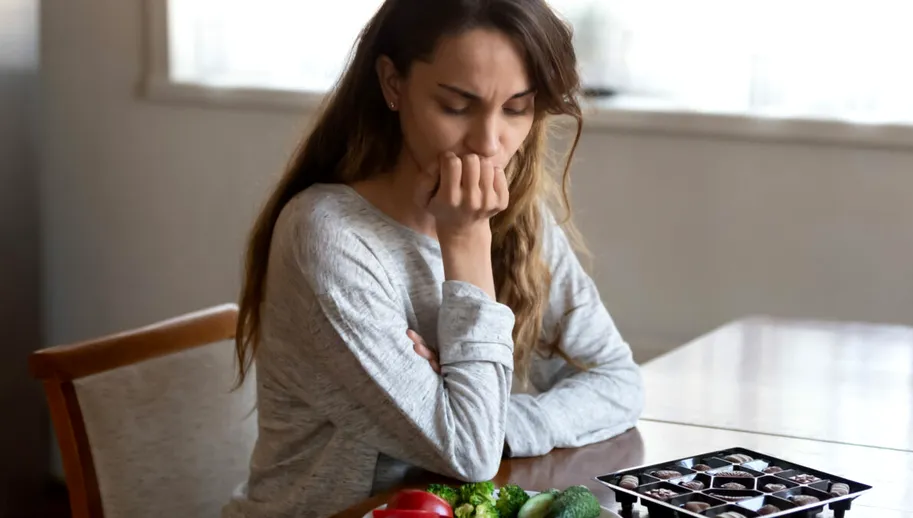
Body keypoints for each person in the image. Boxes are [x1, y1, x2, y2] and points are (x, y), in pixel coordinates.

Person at [222, 1, 644, 517]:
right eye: (457, 106)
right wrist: (465, 240)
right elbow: (469, 453)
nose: (490, 143)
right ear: (393, 84)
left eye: (516, 108)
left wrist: (493, 419)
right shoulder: (328, 237)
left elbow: (618, 382)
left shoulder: (521, 219)